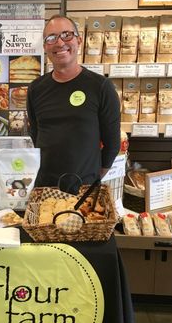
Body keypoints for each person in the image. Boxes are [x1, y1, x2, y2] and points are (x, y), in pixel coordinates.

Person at [27, 14, 121, 193]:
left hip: (85, 190)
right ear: (46, 46)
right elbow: (35, 133)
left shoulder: (100, 87)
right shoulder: (36, 89)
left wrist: (94, 176)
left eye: (66, 35)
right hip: (46, 187)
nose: (60, 43)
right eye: (51, 38)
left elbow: (112, 143)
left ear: (79, 40)